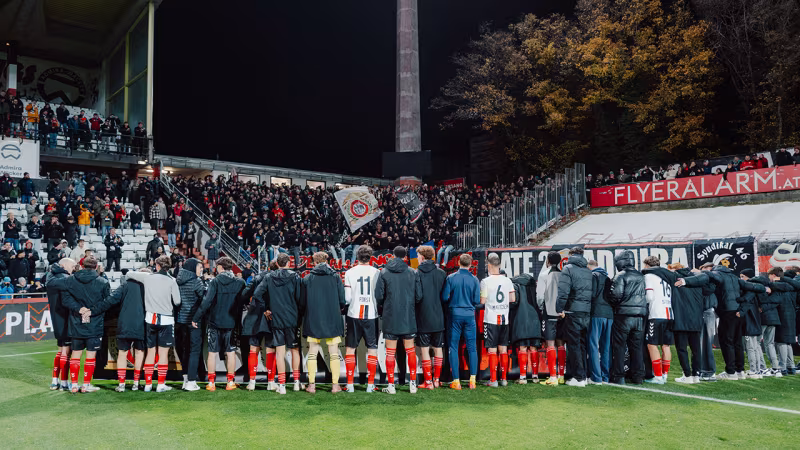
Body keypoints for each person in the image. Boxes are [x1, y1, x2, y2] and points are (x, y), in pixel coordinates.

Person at [675, 262, 767, 380]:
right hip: (737, 312)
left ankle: (731, 372)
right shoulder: (734, 277)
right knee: (737, 342)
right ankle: (740, 371)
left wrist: (685, 281)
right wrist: (764, 288)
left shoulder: (716, 274)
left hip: (727, 312)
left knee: (727, 342)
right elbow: (755, 288)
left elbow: (702, 278)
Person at [126, 255, 182, 392]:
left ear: (157, 266)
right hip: (166, 320)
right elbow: (177, 301)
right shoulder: (172, 281)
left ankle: (148, 384)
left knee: (150, 352)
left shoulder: (148, 277)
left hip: (150, 319)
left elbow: (128, 274)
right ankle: (161, 385)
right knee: (163, 354)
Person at [192, 257, 246, 391]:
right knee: (231, 352)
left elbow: (207, 302)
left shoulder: (215, 281)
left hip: (214, 322)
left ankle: (211, 383)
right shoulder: (240, 282)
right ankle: (230, 382)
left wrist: (196, 317)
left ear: (221, 267)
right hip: (232, 322)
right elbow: (243, 301)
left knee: (212, 352)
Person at [375, 246, 423, 395]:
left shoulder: (384, 272)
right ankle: (413, 385)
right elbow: (419, 296)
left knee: (390, 353)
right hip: (408, 317)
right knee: (410, 351)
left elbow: (379, 296)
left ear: (393, 255)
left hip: (391, 316)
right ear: (405, 257)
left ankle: (391, 386)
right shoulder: (412, 272)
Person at [253, 253, 303, 394]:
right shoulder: (295, 276)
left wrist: (266, 309)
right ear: (288, 262)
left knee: (280, 352)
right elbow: (300, 298)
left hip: (276, 318)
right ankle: (296, 383)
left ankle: (281, 386)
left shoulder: (269, 277)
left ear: (277, 264)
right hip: (292, 318)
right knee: (294, 350)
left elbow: (257, 294)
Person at [59, 256, 110, 393]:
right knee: (90, 356)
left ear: (81, 266)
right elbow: (106, 302)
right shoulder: (103, 282)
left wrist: (79, 309)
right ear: (96, 266)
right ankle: (86, 385)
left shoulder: (70, 280)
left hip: (76, 322)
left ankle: (74, 385)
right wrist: (91, 311)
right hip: (95, 322)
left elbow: (65, 299)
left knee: (76, 353)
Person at [93, 268, 148, 392]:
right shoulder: (147, 286)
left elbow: (111, 300)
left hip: (124, 323)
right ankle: (136, 383)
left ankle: (122, 384)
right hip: (141, 323)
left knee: (122, 353)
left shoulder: (125, 285)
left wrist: (93, 310)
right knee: (139, 352)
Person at [300, 251, 346, 394]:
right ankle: (335, 386)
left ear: (314, 262)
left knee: (312, 353)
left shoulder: (307, 278)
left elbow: (302, 302)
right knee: (334, 354)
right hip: (332, 318)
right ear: (327, 261)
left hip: (313, 319)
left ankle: (312, 386)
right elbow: (342, 300)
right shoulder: (336, 277)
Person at [343, 246, 381, 393]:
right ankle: (370, 385)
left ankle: (350, 385)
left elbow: (347, 298)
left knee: (350, 348)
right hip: (371, 314)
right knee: (372, 348)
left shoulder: (349, 272)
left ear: (357, 257)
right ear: (370, 257)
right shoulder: (377, 272)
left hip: (354, 314)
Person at [441, 253, 481, 390]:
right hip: (469, 315)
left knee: (453, 347)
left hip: (455, 315)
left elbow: (445, 298)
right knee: (472, 348)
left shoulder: (451, 278)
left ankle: (456, 381)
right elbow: (476, 301)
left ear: (459, 263)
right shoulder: (475, 280)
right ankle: (473, 381)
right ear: (470, 264)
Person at [608, 250, 647, 385]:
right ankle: (638, 377)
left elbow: (615, 295)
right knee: (636, 347)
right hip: (640, 316)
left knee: (619, 346)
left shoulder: (620, 276)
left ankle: (619, 376)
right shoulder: (641, 276)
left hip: (623, 315)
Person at [556, 247, 593, 387]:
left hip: (572, 311)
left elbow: (563, 291)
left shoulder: (568, 269)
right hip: (586, 312)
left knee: (574, 345)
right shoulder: (588, 271)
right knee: (582, 344)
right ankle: (583, 375)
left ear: (571, 255)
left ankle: (578, 378)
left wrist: (559, 308)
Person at [480, 253, 516, 388]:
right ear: (499, 265)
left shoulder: (485, 281)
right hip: (504, 318)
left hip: (491, 319)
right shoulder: (507, 281)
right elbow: (513, 299)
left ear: (488, 265)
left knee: (492, 350)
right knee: (504, 350)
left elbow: (482, 301)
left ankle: (493, 380)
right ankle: (504, 379)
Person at [414, 245, 447, 389]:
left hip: (422, 316)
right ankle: (437, 380)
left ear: (421, 257)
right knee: (438, 348)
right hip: (438, 316)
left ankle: (428, 382)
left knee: (424, 349)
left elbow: (417, 296)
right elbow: (445, 296)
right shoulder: (441, 273)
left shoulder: (416, 273)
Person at [641, 256, 677, 384]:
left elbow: (649, 297)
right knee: (666, 346)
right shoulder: (666, 276)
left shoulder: (649, 276)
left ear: (647, 265)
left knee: (652, 344)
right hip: (669, 313)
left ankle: (657, 376)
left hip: (656, 314)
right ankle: (665, 375)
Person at [242, 264, 278, 392]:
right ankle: (271, 382)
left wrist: (250, 304)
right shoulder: (276, 278)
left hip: (255, 315)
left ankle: (252, 382)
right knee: (270, 349)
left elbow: (245, 293)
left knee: (253, 348)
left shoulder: (257, 278)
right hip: (270, 316)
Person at [44, 258, 77, 390]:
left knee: (61, 350)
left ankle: (54, 381)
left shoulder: (52, 276)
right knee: (66, 351)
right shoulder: (63, 278)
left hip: (57, 318)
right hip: (65, 318)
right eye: (73, 266)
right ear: (64, 265)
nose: (74, 269)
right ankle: (63, 382)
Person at [668, 263, 704, 384]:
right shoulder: (697, 279)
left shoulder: (674, 278)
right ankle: (696, 375)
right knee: (696, 349)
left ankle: (687, 375)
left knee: (682, 349)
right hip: (696, 319)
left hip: (680, 319)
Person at [175, 258, 206, 391]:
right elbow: (204, 301)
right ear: (193, 268)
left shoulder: (178, 280)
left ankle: (186, 378)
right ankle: (192, 381)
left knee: (185, 350)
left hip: (181, 321)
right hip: (194, 321)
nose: (201, 270)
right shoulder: (196, 282)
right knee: (194, 350)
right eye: (199, 267)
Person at [537, 251, 566, 386]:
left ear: (548, 261)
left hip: (549, 313)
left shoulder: (544, 275)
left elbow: (540, 296)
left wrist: (541, 308)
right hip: (561, 313)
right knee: (560, 343)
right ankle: (561, 375)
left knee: (550, 343)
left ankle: (553, 377)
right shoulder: (564, 274)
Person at [509, 269, 542, 384]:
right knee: (533, 347)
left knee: (523, 347)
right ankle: (535, 377)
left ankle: (523, 377)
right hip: (535, 317)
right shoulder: (533, 284)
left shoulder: (514, 284)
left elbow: (513, 302)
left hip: (521, 317)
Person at [767, 267, 797, 376]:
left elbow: (773, 300)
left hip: (783, 316)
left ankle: (782, 367)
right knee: (787, 342)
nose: (768, 278)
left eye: (769, 276)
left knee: (781, 342)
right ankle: (791, 366)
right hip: (791, 315)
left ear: (774, 276)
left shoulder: (779, 289)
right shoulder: (791, 288)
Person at [738, 269, 767, 379]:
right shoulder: (757, 289)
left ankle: (754, 370)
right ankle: (759, 369)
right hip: (755, 321)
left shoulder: (749, 291)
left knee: (751, 347)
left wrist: (738, 300)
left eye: (742, 276)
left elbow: (746, 302)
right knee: (755, 347)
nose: (741, 279)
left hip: (750, 322)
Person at [587, 259, 612, 385]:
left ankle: (596, 377)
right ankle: (605, 377)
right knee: (606, 347)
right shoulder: (608, 277)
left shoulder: (593, 276)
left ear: (589, 267)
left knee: (593, 345)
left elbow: (592, 294)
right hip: (609, 314)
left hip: (596, 313)